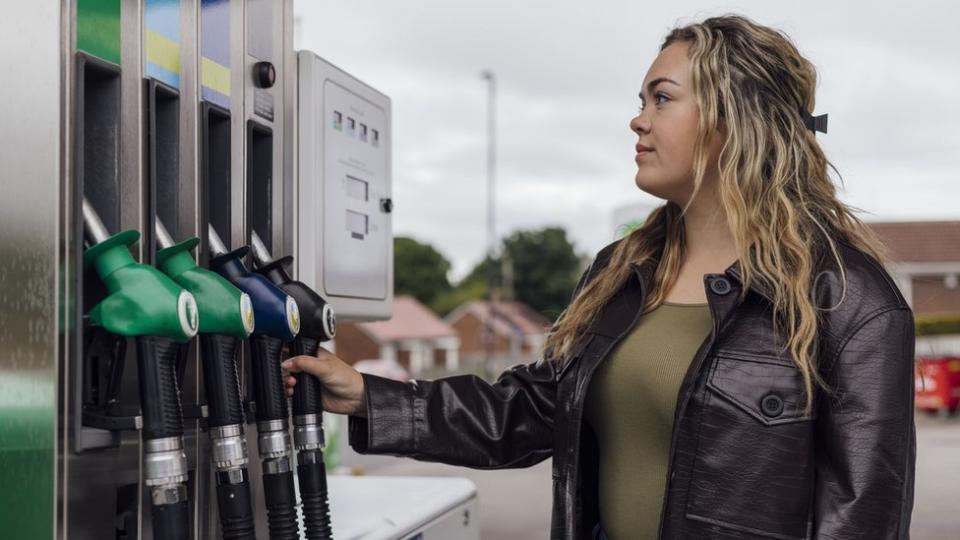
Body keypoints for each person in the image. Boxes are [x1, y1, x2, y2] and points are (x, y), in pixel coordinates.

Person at [282, 14, 917, 540]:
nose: (638, 120)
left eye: (662, 99)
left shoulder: (845, 298)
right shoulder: (623, 272)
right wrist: (368, 395)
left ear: (735, 120)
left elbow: (864, 517)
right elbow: (531, 410)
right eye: (641, 101)